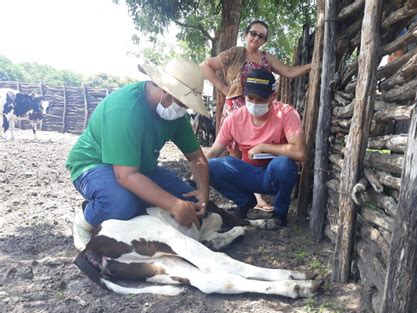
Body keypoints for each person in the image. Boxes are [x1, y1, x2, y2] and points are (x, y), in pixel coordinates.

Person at [66, 58, 210, 251]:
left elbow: (197, 158)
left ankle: (142, 210)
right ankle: (86, 219)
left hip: (138, 167)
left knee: (190, 203)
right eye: (183, 104)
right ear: (167, 94)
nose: (184, 110)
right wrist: (174, 205)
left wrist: (202, 192)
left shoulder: (175, 115)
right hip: (94, 163)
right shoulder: (125, 110)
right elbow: (126, 176)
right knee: (121, 204)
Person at [200, 20, 311, 212]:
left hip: (265, 117)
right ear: (246, 34)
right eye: (253, 33)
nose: (256, 38)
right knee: (234, 155)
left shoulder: (268, 62)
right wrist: (223, 88)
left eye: (261, 36)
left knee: (277, 162)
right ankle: (248, 198)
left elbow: (289, 71)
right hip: (237, 107)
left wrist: (312, 66)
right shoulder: (235, 53)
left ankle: (269, 205)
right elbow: (206, 65)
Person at [205, 69, 306, 226]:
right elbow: (214, 152)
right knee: (209, 166)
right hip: (247, 174)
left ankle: (279, 215)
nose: (255, 103)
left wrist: (263, 147)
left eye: (261, 99)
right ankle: (244, 200)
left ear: (273, 96)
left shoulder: (286, 113)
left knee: (284, 164)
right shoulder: (234, 118)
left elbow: (300, 152)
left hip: (273, 174)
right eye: (250, 98)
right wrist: (192, 180)